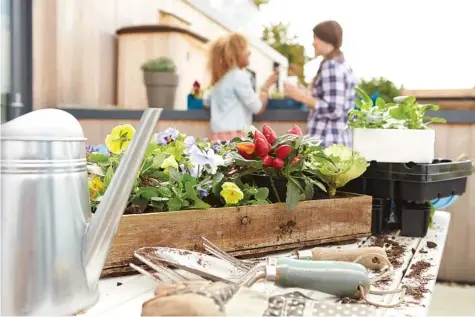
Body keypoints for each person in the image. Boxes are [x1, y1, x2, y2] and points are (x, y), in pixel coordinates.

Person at [284, 20, 356, 148]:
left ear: (326, 39)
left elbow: (334, 109)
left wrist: (301, 97)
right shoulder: (340, 64)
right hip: (336, 143)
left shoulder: (331, 66)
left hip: (327, 143)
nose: (313, 42)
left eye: (316, 37)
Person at [204, 33, 278, 142]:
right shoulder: (238, 76)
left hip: (217, 138)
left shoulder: (220, 81)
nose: (249, 52)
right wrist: (266, 87)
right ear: (236, 54)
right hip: (236, 139)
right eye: (245, 49)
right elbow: (258, 108)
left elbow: (206, 103)